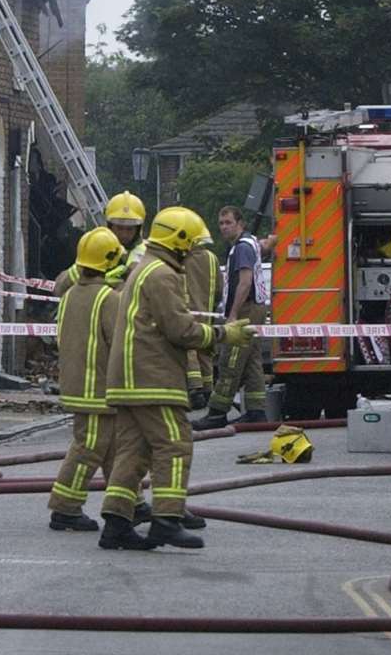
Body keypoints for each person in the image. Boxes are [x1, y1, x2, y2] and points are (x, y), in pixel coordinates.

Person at [101, 207, 254, 550]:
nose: (192, 252)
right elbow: (180, 330)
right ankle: (166, 520)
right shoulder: (163, 275)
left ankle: (115, 524)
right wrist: (224, 334)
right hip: (152, 379)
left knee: (132, 453)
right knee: (175, 444)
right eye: (191, 245)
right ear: (179, 241)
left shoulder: (144, 268)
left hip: (127, 380)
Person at [47, 228, 125, 532]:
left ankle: (128, 503)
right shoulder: (109, 298)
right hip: (99, 388)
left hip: (78, 383)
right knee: (89, 447)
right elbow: (121, 343)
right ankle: (65, 507)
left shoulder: (70, 294)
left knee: (113, 448)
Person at [194, 206, 268, 429]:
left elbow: (245, 282)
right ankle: (257, 412)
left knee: (230, 360)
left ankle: (216, 413)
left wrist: (233, 314)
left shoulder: (242, 248)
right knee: (253, 361)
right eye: (221, 223)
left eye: (228, 222)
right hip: (256, 307)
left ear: (240, 224)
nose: (224, 227)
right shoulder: (249, 242)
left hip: (245, 309)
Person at [184, 227, 221, 410]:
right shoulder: (212, 258)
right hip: (208, 312)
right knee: (205, 350)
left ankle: (195, 388)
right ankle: (208, 389)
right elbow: (220, 289)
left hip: (187, 311)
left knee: (190, 350)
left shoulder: (182, 258)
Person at [103, 190, 147, 281]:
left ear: (138, 229)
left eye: (130, 229)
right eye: (119, 228)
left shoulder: (147, 254)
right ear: (110, 226)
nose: (124, 234)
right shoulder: (96, 250)